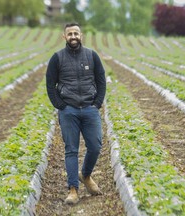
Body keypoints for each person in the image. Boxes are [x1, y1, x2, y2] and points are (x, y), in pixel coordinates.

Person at [46, 23, 106, 204]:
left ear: (81, 35)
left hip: (89, 109)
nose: (73, 36)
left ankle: (85, 175)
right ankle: (73, 189)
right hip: (69, 111)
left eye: (76, 33)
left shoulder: (92, 56)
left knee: (95, 146)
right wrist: (61, 105)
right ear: (64, 37)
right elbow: (50, 85)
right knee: (71, 150)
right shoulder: (57, 58)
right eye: (70, 33)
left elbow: (101, 81)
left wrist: (97, 103)